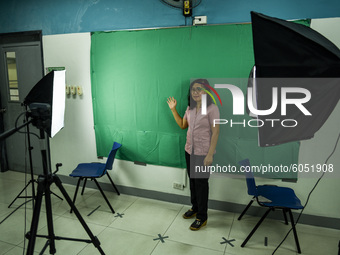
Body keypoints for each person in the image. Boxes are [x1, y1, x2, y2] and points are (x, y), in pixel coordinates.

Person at [167, 79, 220, 231]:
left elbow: (216, 132)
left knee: (201, 185)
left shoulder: (212, 109)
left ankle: (202, 217)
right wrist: (173, 109)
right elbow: (183, 125)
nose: (196, 92)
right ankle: (195, 207)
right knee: (193, 182)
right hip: (189, 150)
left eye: (200, 89)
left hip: (204, 153)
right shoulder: (189, 109)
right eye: (193, 90)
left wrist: (210, 155)